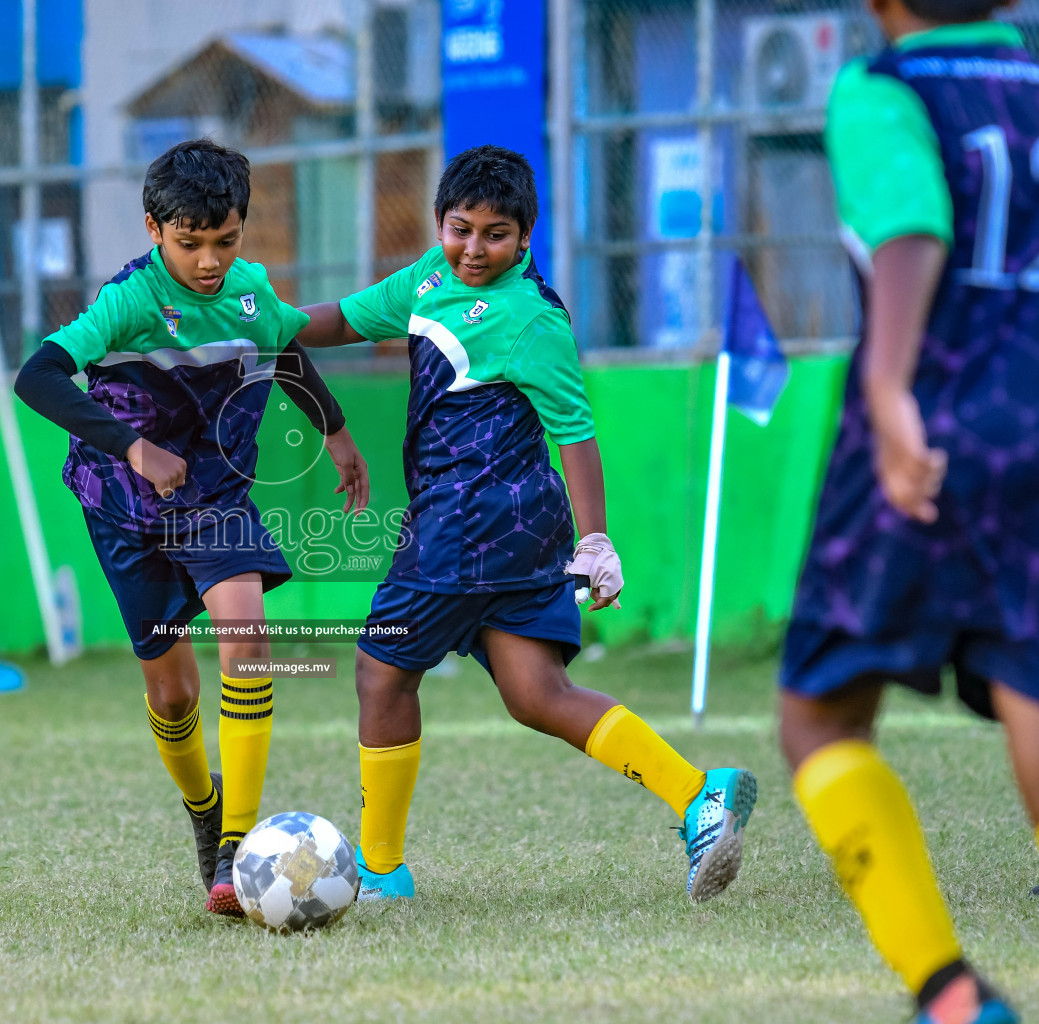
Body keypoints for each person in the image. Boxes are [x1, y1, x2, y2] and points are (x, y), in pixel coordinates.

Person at [294, 145, 756, 903]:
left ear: (526, 235)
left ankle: (380, 871)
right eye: (460, 228)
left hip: (466, 525)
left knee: (381, 671)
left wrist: (597, 538)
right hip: (512, 531)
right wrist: (252, 317)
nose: (475, 248)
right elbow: (341, 319)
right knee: (536, 691)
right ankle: (699, 793)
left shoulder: (532, 319)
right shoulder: (426, 279)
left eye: (495, 234)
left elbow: (574, 431)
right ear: (440, 222)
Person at [777, 0, 1039, 1018]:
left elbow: (911, 227)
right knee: (1033, 678)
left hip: (934, 421)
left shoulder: (886, 87)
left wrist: (889, 391)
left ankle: (950, 993)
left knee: (822, 712)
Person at [15, 139, 369, 916]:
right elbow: (35, 376)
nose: (209, 260)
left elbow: (282, 348)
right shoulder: (128, 302)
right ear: (154, 230)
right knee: (173, 697)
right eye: (190, 243)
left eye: (225, 240)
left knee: (246, 643)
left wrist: (335, 432)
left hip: (215, 495)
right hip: (126, 507)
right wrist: (134, 446)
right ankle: (205, 812)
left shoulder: (248, 290)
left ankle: (237, 852)